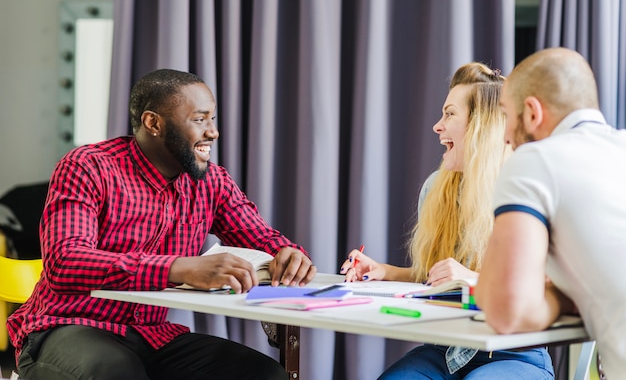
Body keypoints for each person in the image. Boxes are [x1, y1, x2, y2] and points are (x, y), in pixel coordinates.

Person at [7, 69, 317, 380]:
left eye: (213, 119)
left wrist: (287, 254)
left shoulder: (213, 182)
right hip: (69, 325)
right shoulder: (88, 167)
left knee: (264, 375)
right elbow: (67, 263)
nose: (213, 131)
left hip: (153, 335)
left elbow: (261, 237)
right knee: (115, 372)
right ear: (153, 123)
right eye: (200, 119)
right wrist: (179, 268)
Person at [341, 62, 554, 379]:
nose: (437, 126)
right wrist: (384, 271)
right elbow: (440, 280)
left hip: (513, 350)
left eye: (450, 114)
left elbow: (555, 288)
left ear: (481, 125)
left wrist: (475, 280)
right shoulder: (436, 189)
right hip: (445, 350)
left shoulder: (528, 191)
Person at [475, 47, 626, 378]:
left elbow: (506, 311)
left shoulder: (535, 160)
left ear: (531, 113)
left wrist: (562, 297)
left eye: (505, 116)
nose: (504, 137)